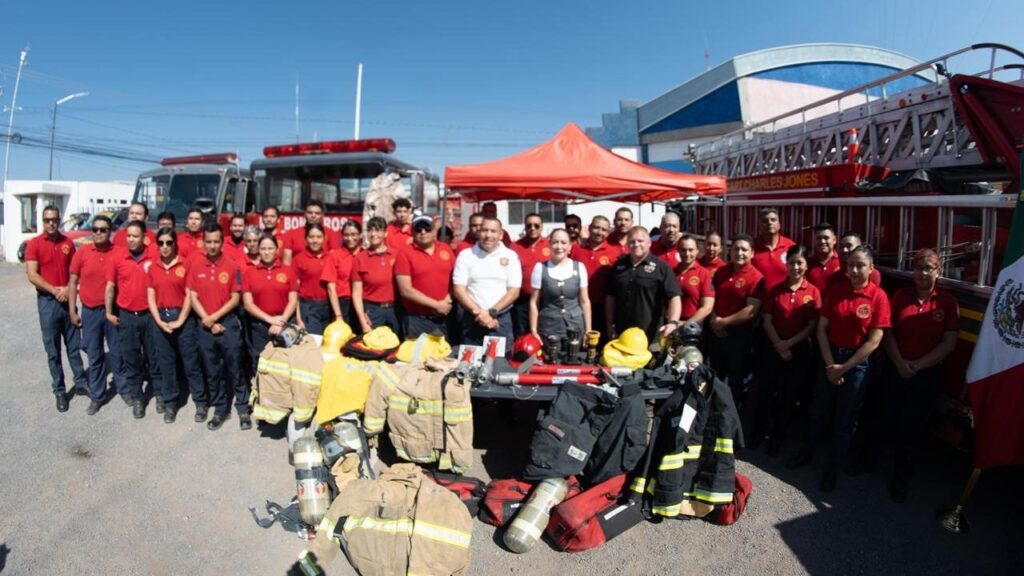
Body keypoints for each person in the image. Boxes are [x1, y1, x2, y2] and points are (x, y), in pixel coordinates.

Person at [856, 249, 958, 502]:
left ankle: (901, 481)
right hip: (895, 369)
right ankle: (867, 462)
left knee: (911, 429)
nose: (922, 273)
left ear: (938, 271)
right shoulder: (901, 296)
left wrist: (919, 365)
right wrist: (900, 363)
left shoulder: (946, 302)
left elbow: (949, 342)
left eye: (928, 268)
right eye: (918, 268)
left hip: (925, 375)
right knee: (881, 419)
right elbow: (888, 333)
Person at [788, 245, 891, 493]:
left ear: (871, 268)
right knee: (818, 411)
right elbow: (822, 329)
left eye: (860, 265)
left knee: (844, 420)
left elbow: (874, 341)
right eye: (850, 265)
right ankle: (805, 454)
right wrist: (829, 365)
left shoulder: (878, 297)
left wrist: (844, 368)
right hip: (830, 356)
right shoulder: (836, 291)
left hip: (856, 364)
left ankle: (832, 470)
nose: (854, 270)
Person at [747, 244, 821, 454]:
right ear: (786, 264)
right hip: (773, 346)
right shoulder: (775, 290)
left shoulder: (813, 292)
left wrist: (788, 345)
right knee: (765, 394)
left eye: (800, 263)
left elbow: (811, 326)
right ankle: (757, 434)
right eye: (792, 263)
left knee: (788, 397)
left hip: (798, 350)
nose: (795, 267)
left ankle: (777, 439)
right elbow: (767, 320)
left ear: (806, 265)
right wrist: (779, 344)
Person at [25, 204, 87, 412]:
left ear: (59, 220)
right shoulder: (34, 244)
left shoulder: (67, 242)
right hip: (48, 302)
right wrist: (54, 290)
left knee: (73, 345)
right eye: (47, 220)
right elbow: (32, 275)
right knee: (53, 349)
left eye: (54, 220)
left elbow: (74, 272)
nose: (51, 223)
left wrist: (68, 290)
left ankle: (80, 382)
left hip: (67, 298)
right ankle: (59, 390)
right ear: (42, 221)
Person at [188, 222, 247, 431]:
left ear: (222, 242)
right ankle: (221, 409)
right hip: (204, 326)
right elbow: (192, 296)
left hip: (227, 324)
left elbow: (235, 298)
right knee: (212, 370)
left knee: (235, 368)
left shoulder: (232, 266)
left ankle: (243, 408)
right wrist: (207, 319)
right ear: (203, 242)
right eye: (208, 242)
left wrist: (214, 318)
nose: (212, 246)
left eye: (216, 241)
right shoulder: (196, 266)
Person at [146, 228, 203, 424]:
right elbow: (151, 296)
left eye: (169, 242)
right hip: (161, 318)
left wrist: (180, 320)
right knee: (166, 364)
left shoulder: (186, 264)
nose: (165, 247)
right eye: (161, 243)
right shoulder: (153, 267)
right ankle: (170, 402)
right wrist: (159, 321)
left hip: (183, 318)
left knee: (191, 362)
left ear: (175, 244)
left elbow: (190, 295)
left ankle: (200, 401)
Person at [68, 214, 123, 415]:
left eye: (103, 230)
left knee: (117, 352)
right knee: (95, 355)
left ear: (110, 232)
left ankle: (124, 389)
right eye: (95, 229)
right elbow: (73, 282)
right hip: (90, 311)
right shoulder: (82, 252)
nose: (98, 233)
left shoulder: (118, 252)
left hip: (112, 311)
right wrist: (72, 310)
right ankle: (98, 396)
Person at [105, 221, 156, 419]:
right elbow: (110, 286)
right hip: (127, 316)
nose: (131, 240)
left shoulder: (153, 255)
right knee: (131, 358)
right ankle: (138, 398)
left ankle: (159, 393)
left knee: (154, 357)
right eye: (129, 236)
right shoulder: (118, 257)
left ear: (144, 238)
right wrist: (109, 312)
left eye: (135, 236)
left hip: (149, 315)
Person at [709, 234, 765, 406]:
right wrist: (714, 320)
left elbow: (751, 310)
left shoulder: (756, 277)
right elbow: (711, 299)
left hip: (739, 337)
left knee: (736, 379)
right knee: (714, 377)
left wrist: (724, 322)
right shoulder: (721, 272)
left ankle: (734, 413)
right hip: (716, 333)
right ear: (730, 251)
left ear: (752, 253)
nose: (739, 253)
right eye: (736, 249)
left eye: (744, 250)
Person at [452, 216, 521, 345]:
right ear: (479, 232)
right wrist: (480, 314)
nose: (488, 235)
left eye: (493, 231)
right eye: (484, 230)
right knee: (470, 358)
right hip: (472, 320)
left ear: (501, 234)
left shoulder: (511, 256)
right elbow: (459, 290)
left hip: (500, 320)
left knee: (500, 358)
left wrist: (491, 312)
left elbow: (514, 291)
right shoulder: (466, 255)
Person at [605, 226, 682, 342]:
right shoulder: (618, 266)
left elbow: (674, 297)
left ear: (649, 243)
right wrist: (609, 324)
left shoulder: (661, 267)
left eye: (640, 241)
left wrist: (673, 322)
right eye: (632, 241)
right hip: (622, 335)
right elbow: (610, 297)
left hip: (651, 337)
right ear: (627, 244)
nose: (636, 244)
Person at [243, 234, 299, 375]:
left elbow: (293, 300)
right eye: (263, 249)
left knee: (285, 363)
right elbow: (248, 304)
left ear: (277, 250)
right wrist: (269, 319)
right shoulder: (249, 272)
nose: (266, 252)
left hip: (284, 324)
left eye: (270, 248)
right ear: (258, 250)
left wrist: (281, 321)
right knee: (261, 363)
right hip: (260, 326)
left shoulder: (288, 271)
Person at [395, 215, 456, 338]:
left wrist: (446, 301)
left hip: (444, 318)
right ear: (412, 232)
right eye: (418, 229)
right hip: (416, 320)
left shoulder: (446, 249)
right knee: (416, 351)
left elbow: (456, 280)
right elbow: (405, 290)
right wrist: (437, 305)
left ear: (434, 231)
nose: (423, 232)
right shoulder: (404, 253)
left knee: (442, 350)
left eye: (427, 228)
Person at [529, 228, 591, 344]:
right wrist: (533, 329)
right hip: (548, 328)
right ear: (549, 245)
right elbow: (534, 302)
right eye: (555, 242)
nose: (559, 246)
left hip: (575, 327)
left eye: (563, 242)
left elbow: (584, 301)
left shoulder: (580, 267)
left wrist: (588, 330)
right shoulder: (540, 268)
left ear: (570, 246)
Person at [572, 216, 620, 341]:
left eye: (604, 229)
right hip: (578, 306)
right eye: (596, 228)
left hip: (603, 308)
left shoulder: (615, 252)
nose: (599, 232)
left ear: (608, 232)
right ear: (589, 228)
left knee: (600, 343)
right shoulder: (576, 248)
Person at [352, 217, 400, 334]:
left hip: (395, 310)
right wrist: (363, 321)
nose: (373, 234)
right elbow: (356, 293)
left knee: (397, 343)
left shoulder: (397, 255)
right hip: (372, 311)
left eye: (378, 230)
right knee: (372, 343)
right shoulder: (360, 258)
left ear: (385, 233)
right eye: (370, 230)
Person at [511, 213, 550, 338]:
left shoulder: (550, 245)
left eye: (536, 225)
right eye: (529, 225)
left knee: (543, 334)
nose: (532, 228)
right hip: (522, 301)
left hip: (545, 300)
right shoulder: (515, 246)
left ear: (542, 227)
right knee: (520, 335)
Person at [293, 223, 331, 335]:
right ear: (306, 238)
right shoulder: (298, 259)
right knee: (315, 340)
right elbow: (294, 291)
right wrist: (298, 318)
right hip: (309, 308)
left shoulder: (330, 257)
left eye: (319, 237)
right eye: (311, 237)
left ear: (324, 238)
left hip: (328, 307)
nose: (315, 240)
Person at [324, 220, 363, 325]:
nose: (350, 238)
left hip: (363, 303)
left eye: (353, 234)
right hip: (342, 304)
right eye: (346, 235)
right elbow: (331, 288)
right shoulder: (334, 256)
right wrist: (338, 315)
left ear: (360, 235)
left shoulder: (365, 255)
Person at [752, 208, 795, 290]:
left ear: (779, 224)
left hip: (783, 296)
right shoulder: (751, 247)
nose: (769, 223)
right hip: (758, 297)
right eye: (765, 221)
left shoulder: (790, 246)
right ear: (759, 226)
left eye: (773, 220)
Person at [675, 235, 714, 325]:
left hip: (694, 325)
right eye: (683, 250)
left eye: (691, 250)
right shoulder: (671, 272)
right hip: (672, 323)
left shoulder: (704, 274)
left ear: (697, 251)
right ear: (678, 251)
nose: (687, 254)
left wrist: (686, 324)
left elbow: (707, 307)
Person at [806, 223, 841, 291]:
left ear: (834, 240)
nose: (822, 241)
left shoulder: (841, 263)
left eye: (826, 238)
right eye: (818, 238)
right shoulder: (808, 264)